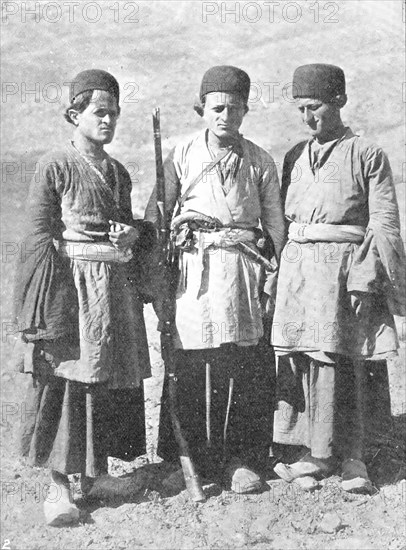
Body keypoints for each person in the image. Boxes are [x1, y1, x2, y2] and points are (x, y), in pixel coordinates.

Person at [13, 69, 153, 525]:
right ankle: (58, 487)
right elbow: (37, 235)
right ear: (75, 114)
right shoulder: (55, 164)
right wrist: (44, 305)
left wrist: (132, 233)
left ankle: (95, 477)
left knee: (105, 380)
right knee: (66, 379)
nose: (108, 121)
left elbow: (130, 228)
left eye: (114, 113)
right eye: (99, 112)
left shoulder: (117, 171)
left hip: (112, 287)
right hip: (71, 288)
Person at [145, 65, 285, 493]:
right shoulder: (181, 154)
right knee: (188, 363)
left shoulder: (260, 160)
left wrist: (273, 276)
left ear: (245, 111)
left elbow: (276, 226)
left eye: (235, 108)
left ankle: (241, 459)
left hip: (242, 270)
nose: (226, 115)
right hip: (193, 270)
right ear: (203, 109)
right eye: (217, 107)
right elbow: (157, 215)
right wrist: (158, 274)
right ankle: (184, 458)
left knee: (242, 364)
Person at [271, 63, 405, 493]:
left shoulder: (367, 154)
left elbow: (383, 223)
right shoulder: (294, 155)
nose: (309, 118)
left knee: (348, 361)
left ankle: (354, 459)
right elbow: (280, 219)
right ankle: (314, 454)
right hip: (301, 271)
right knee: (306, 358)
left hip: (347, 273)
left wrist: (365, 277)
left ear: (341, 101)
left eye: (316, 107)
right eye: (301, 109)